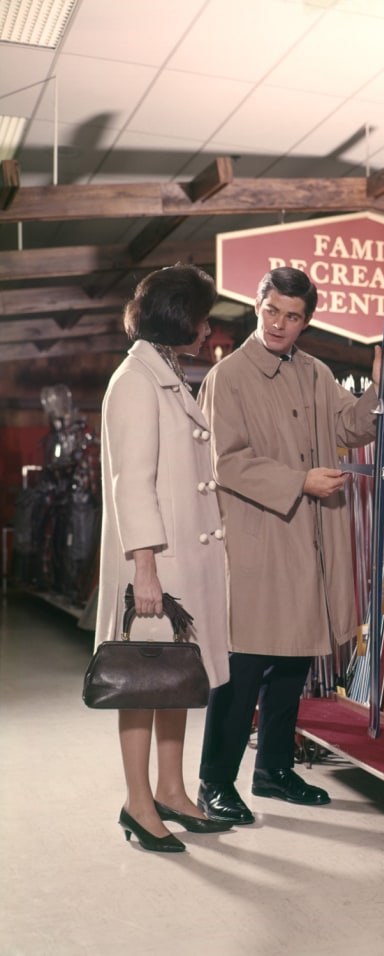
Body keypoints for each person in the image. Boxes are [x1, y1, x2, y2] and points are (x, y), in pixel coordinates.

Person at [196, 266, 384, 823]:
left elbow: (350, 427)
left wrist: (381, 389)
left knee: (292, 665)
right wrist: (299, 480)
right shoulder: (230, 376)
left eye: (292, 316)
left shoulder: (315, 371)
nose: (279, 324)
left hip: (310, 540)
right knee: (245, 668)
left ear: (306, 320)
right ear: (257, 306)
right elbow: (226, 461)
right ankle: (215, 782)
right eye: (271, 311)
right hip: (260, 540)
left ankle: (274, 771)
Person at [94, 264, 232, 853]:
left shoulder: (166, 371)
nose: (207, 329)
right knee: (146, 683)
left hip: (181, 561)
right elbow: (133, 483)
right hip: (156, 563)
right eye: (202, 317)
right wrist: (144, 569)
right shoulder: (134, 381)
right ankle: (136, 800)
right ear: (178, 315)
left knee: (176, 679)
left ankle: (172, 790)